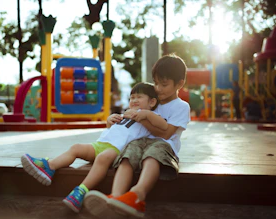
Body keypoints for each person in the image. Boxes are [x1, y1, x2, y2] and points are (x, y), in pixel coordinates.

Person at [20, 82, 168, 213]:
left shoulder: (150, 117)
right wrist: (110, 121)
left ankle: (81, 191)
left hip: (117, 150)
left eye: (139, 97)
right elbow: (115, 129)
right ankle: (49, 166)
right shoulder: (126, 114)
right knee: (76, 147)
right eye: (132, 98)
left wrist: (145, 114)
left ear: (152, 102)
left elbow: (163, 125)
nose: (134, 101)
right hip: (100, 144)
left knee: (102, 158)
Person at [83, 54, 190, 218]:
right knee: (127, 155)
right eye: (156, 83)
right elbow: (132, 121)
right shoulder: (153, 100)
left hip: (164, 145)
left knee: (152, 155)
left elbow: (167, 133)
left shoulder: (181, 106)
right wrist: (115, 121)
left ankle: (137, 195)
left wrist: (144, 117)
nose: (158, 88)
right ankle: (116, 198)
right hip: (140, 141)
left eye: (164, 84)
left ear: (180, 84)